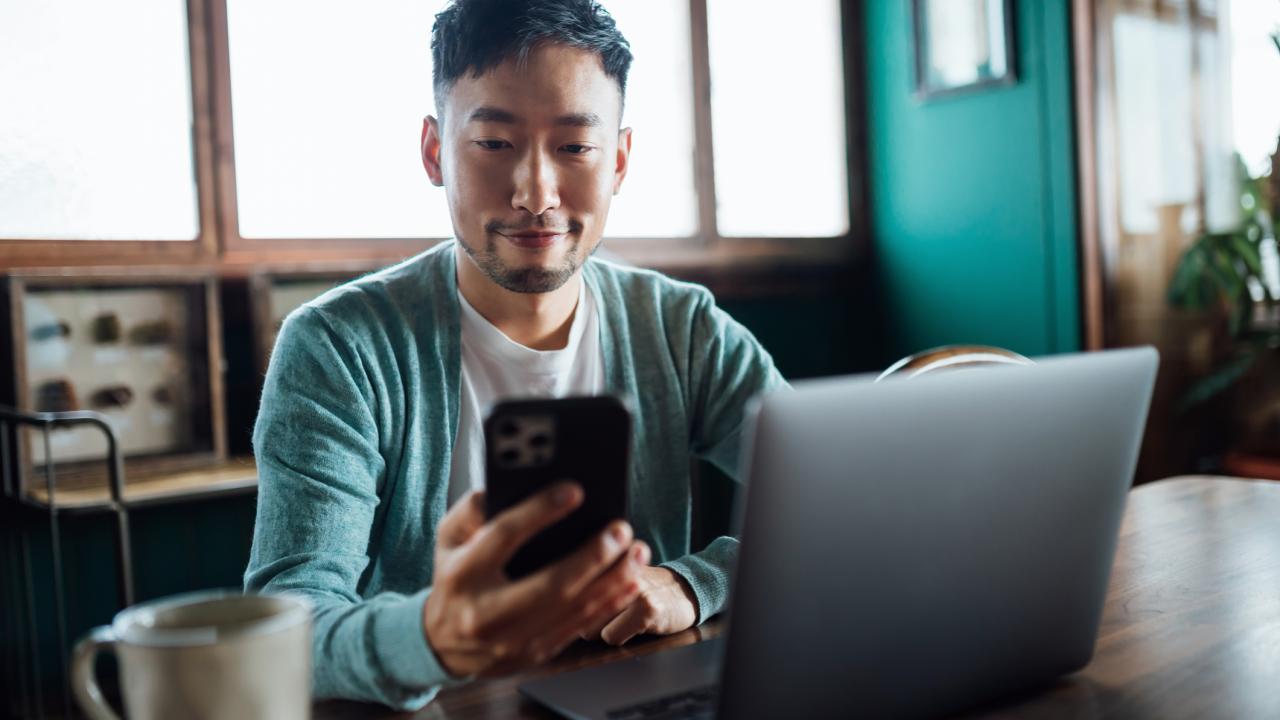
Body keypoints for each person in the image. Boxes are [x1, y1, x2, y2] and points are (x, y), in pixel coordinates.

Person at [244, 0, 785, 710]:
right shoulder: (339, 347)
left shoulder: (681, 327)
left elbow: (836, 516)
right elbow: (289, 629)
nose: (536, 193)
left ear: (618, 160)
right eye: (495, 144)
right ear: (436, 152)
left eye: (575, 147)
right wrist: (435, 638)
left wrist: (695, 583)